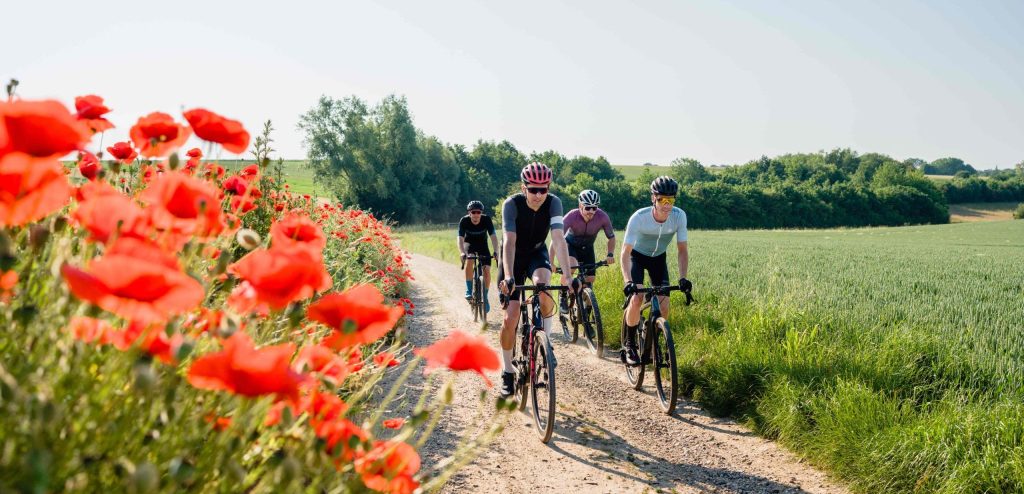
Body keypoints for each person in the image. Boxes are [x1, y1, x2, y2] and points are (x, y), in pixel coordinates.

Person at [497, 162, 577, 398]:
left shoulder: (554, 203)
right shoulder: (511, 205)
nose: (539, 195)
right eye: (533, 189)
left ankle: (545, 342)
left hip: (536, 252)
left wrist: (568, 274)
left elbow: (558, 239)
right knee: (510, 317)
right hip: (512, 257)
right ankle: (508, 371)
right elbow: (509, 241)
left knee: (543, 286)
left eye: (544, 189)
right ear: (524, 188)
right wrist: (510, 276)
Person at [619, 176, 692, 366]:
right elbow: (625, 253)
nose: (667, 205)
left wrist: (683, 277)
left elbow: (682, 250)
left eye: (671, 200)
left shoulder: (679, 216)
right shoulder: (639, 218)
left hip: (658, 259)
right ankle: (629, 344)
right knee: (637, 298)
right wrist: (628, 281)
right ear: (653, 198)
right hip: (637, 257)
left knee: (664, 305)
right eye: (662, 200)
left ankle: (653, 343)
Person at [550, 189, 615, 313]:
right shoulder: (572, 216)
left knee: (590, 279)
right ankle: (563, 294)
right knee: (572, 266)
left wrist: (610, 254)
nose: (591, 211)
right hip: (570, 245)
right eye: (588, 207)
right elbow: (556, 239)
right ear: (580, 205)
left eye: (594, 208)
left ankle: (587, 312)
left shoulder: (602, 217)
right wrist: (551, 261)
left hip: (587, 248)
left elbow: (611, 237)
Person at [458, 200, 499, 313]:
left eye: (478, 212)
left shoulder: (486, 220)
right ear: (469, 213)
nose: (476, 215)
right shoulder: (464, 221)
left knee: (486, 271)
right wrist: (462, 252)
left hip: (482, 245)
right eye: (473, 212)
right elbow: (460, 239)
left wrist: (496, 251)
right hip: (469, 244)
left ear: (481, 213)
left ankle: (485, 297)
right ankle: (469, 290)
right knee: (470, 258)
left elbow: (493, 237)